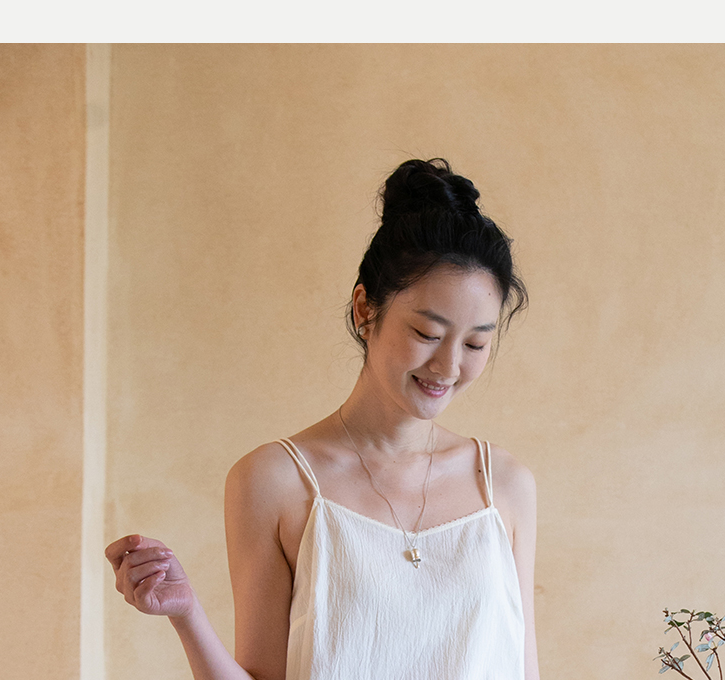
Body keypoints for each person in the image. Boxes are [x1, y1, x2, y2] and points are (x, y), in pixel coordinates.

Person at [105, 158, 538, 680]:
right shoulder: (273, 480)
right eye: (427, 334)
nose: (448, 366)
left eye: (475, 343)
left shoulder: (504, 485)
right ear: (365, 310)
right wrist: (186, 614)